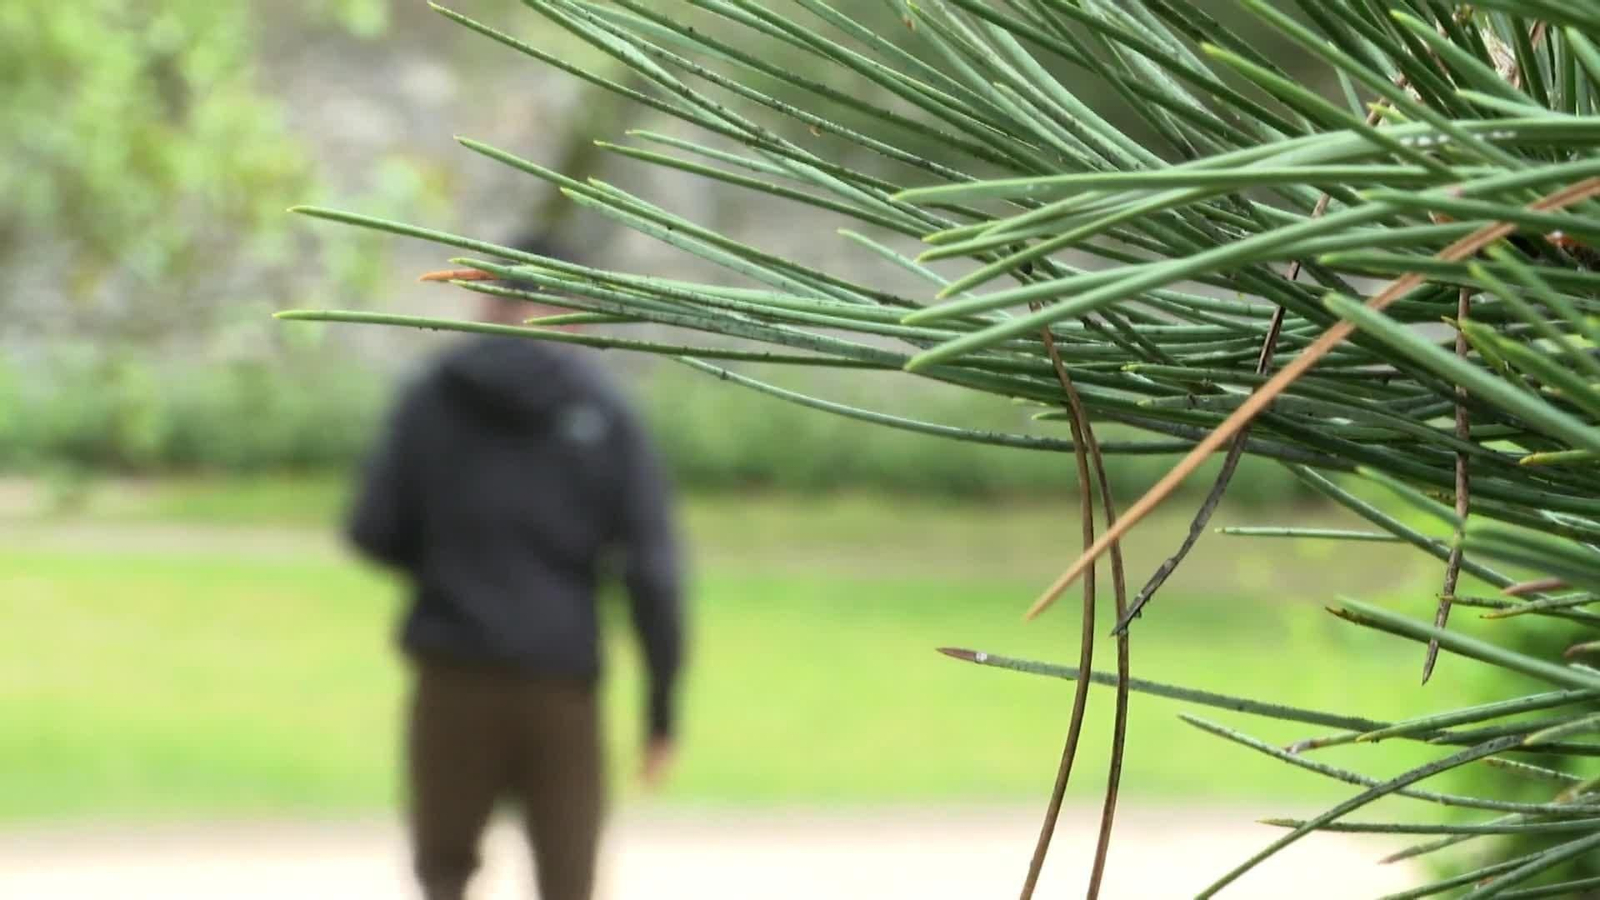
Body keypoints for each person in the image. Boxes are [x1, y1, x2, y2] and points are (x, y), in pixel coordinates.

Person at [347, 242, 684, 900]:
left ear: (484, 296)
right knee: (568, 882)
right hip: (559, 682)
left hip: (452, 672)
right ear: (570, 307)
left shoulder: (430, 397)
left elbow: (372, 530)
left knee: (443, 873)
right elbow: (652, 569)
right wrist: (661, 709)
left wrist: (450, 569)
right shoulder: (604, 410)